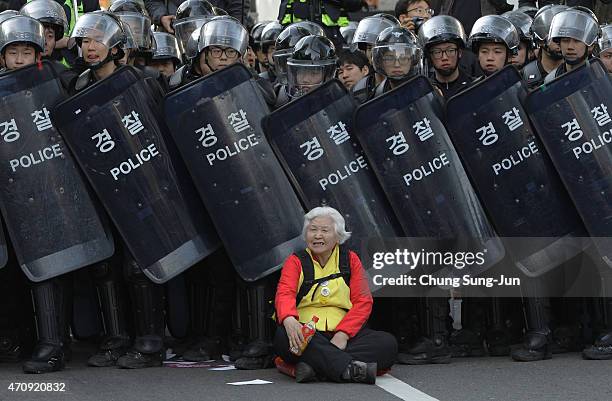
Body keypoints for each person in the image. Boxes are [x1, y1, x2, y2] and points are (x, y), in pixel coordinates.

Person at [274, 206, 398, 384]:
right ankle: (349, 369)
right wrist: (289, 320)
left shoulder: (350, 260)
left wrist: (343, 335)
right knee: (284, 337)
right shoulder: (295, 261)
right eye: (312, 230)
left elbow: (363, 301)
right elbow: (284, 293)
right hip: (308, 334)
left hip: (343, 334)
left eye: (325, 230)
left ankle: (313, 367)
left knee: (387, 344)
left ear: (338, 236)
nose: (317, 235)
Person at [419, 15, 473, 99]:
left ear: (459, 52)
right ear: (429, 56)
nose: (444, 57)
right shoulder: (423, 93)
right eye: (437, 52)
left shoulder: (475, 86)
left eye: (450, 50)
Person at [544, 8, 599, 83]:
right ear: (559, 43)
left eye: (577, 41)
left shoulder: (601, 77)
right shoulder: (551, 80)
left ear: (591, 45)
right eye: (565, 40)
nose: (570, 46)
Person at [522, 4, 569, 89]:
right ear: (539, 40)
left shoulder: (583, 71)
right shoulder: (524, 76)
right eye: (554, 36)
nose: (560, 42)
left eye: (565, 38)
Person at [371, 26, 423, 96]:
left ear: (413, 61)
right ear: (381, 62)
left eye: (404, 58)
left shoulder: (426, 91)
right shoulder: (375, 95)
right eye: (389, 59)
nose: (397, 65)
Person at [144, 0, 248, 33]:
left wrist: (236, 29)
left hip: (218, 32)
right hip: (175, 31)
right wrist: (161, 16)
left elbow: (238, 4)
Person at [286, 34, 338, 98]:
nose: (305, 79)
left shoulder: (341, 102)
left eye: (314, 72)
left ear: (329, 75)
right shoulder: (290, 102)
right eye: (300, 72)